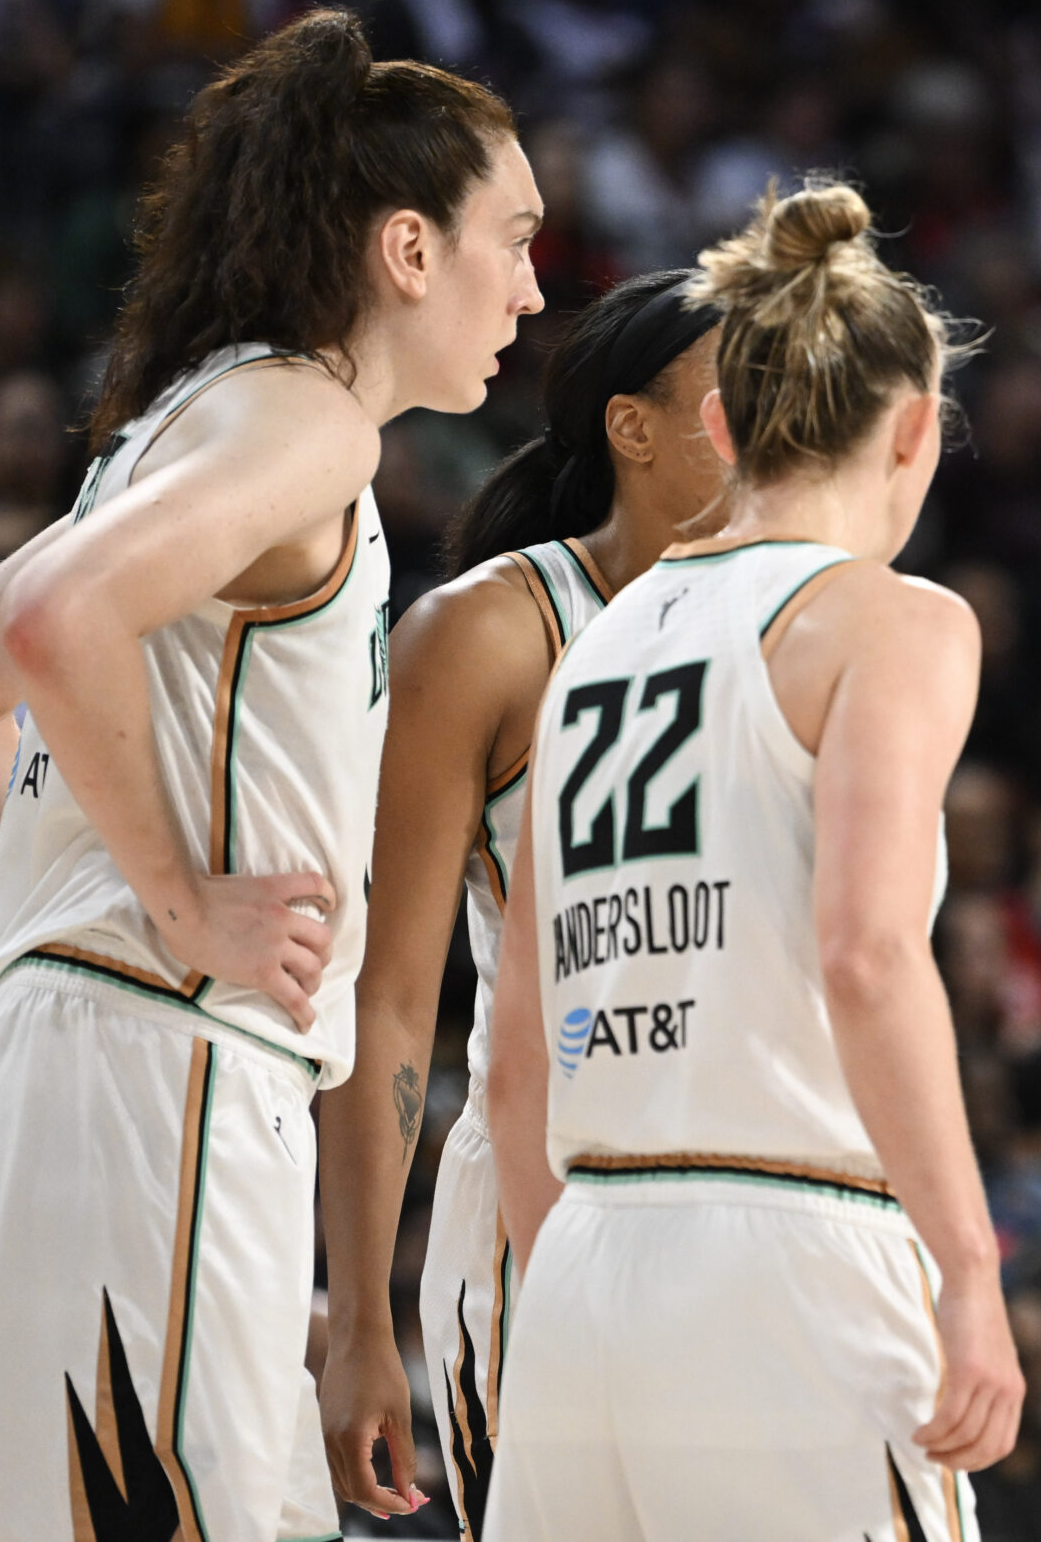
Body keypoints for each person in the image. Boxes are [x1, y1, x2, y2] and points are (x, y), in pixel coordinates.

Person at [0, 6, 539, 1539]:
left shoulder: (200, 416)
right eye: (510, 239)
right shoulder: (306, 420)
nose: (528, 285)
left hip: (89, 1061)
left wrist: (96, 891)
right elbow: (41, 626)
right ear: (406, 249)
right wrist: (173, 903)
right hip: (152, 1066)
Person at [484, 182, 1023, 1537]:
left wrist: (575, 1301)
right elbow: (866, 951)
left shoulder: (595, 639)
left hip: (582, 1264)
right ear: (915, 428)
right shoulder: (894, 620)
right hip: (787, 1257)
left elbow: (514, 1044)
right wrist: (968, 1263)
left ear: (721, 424)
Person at [316, 269, 728, 1532]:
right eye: (741, 395)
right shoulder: (489, 633)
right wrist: (360, 1320)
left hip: (766, 1195)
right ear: (632, 426)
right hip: (553, 1182)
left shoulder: (811, 626)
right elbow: (388, 1003)